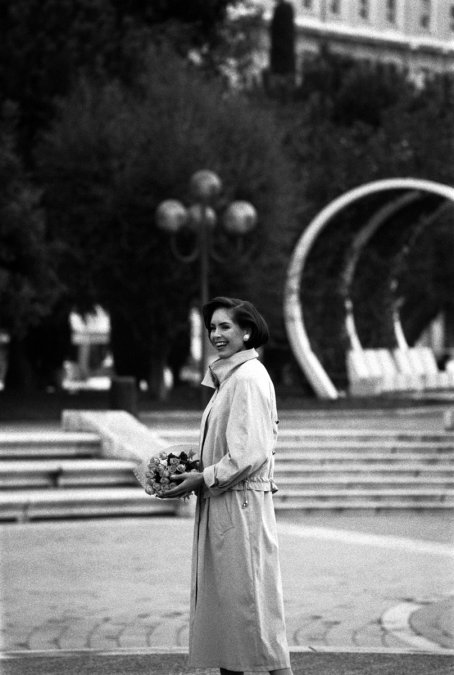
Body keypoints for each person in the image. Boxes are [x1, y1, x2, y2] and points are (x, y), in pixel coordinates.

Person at [165, 296, 293, 675]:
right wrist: (192, 470)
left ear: (247, 331)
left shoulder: (248, 379)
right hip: (225, 505)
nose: (216, 334)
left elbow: (248, 452)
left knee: (254, 618)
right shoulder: (230, 379)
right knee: (226, 621)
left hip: (240, 509)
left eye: (225, 326)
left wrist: (203, 477)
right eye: (213, 327)